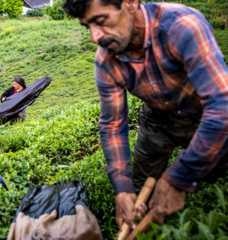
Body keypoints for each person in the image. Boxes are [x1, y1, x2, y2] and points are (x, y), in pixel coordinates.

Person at [63, 0, 228, 230]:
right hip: (157, 118)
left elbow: (222, 106)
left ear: (130, 3)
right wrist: (122, 188)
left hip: (203, 114)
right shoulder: (106, 60)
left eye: (100, 21)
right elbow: (112, 125)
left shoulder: (181, 27)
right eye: (87, 26)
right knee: (138, 189)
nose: (94, 37)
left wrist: (179, 178)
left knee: (214, 174)